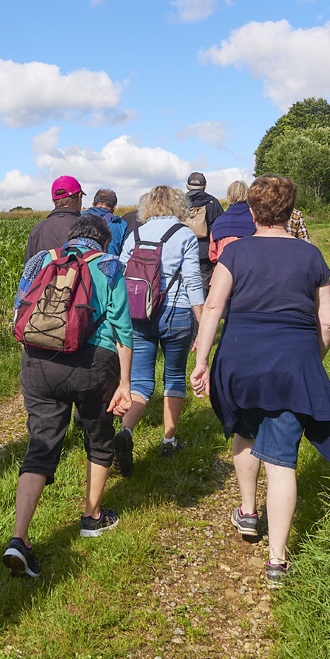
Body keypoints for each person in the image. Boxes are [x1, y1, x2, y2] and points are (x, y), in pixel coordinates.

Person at [190, 175, 330, 588]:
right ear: (291, 212)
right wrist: (311, 359)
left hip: (240, 360)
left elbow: (215, 306)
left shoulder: (235, 253)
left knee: (243, 428)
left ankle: (247, 512)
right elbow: (326, 320)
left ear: (252, 211)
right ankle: (277, 561)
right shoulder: (311, 256)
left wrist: (202, 361)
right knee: (281, 461)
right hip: (293, 364)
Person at [4, 215, 133, 577]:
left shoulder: (40, 260)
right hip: (93, 363)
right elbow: (123, 329)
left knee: (41, 445)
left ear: (73, 237)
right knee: (98, 437)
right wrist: (125, 383)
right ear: (104, 242)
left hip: (38, 361)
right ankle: (91, 516)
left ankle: (19, 538)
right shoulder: (109, 265)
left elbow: (19, 310)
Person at [114, 185, 203, 468]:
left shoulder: (135, 234)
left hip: (139, 315)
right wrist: (203, 324)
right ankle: (169, 441)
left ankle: (126, 431)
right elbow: (193, 281)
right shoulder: (184, 234)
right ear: (178, 205)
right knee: (174, 376)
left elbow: (119, 275)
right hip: (176, 313)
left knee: (140, 381)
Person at [25, 175, 85, 260]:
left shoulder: (37, 230)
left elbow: (29, 269)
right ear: (79, 196)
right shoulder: (88, 229)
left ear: (53, 201)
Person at [184, 172, 225, 292]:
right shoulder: (213, 202)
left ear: (187, 186)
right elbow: (219, 227)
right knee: (204, 283)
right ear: (205, 186)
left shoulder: (179, 203)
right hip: (204, 251)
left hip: (183, 249)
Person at [208, 179, 256, 263]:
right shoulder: (256, 220)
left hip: (225, 269)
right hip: (250, 268)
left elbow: (213, 256)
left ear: (229, 195)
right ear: (248, 195)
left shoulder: (218, 223)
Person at [81, 188, 129, 256]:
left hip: (81, 264)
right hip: (110, 264)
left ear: (93, 204)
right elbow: (125, 254)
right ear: (114, 207)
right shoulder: (121, 224)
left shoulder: (79, 217)